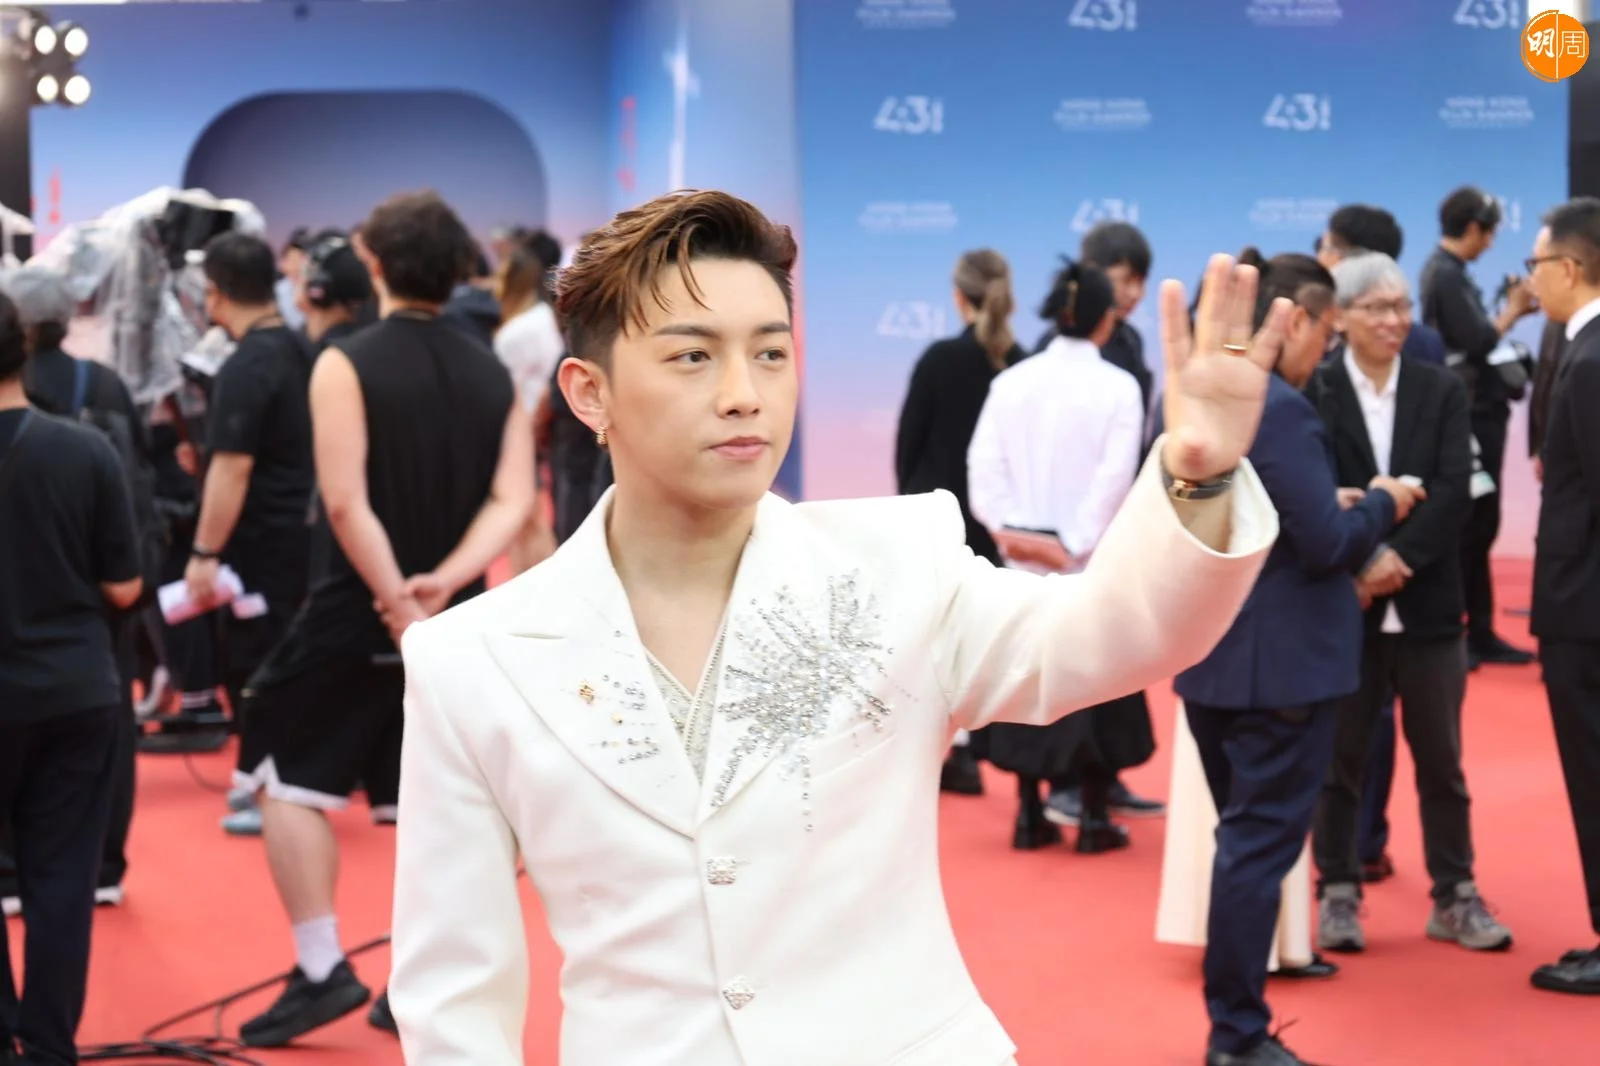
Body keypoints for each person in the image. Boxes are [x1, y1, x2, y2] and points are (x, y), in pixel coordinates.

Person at [387, 189, 1283, 1065]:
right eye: (692, 356)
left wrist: (1198, 476)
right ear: (590, 393)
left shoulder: (898, 565)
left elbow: (1115, 632)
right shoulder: (471, 660)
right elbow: (452, 998)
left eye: (770, 354)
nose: (744, 394)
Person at [234, 190, 530, 1047]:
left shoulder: (344, 361)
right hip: (454, 616)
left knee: (279, 770)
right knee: (436, 801)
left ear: (372, 264)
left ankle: (321, 966)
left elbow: (344, 499)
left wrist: (398, 599)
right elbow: (514, 499)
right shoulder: (492, 368)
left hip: (356, 608)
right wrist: (443, 586)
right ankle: (415, 978)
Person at [1164, 251, 1419, 1066]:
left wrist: (1331, 506)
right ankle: (1236, 1035)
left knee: (1243, 845)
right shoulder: (1282, 410)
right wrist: (1381, 501)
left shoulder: (1196, 397)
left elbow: (1246, 512)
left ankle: (1236, 1022)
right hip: (1281, 670)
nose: (1328, 352)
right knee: (1255, 851)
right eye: (1329, 334)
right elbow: (1327, 546)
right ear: (1298, 319)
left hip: (1213, 658)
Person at [1310, 252, 1513, 956]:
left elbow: (1457, 490)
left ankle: (1455, 894)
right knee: (1340, 759)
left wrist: (1397, 559)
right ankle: (1338, 890)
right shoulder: (1318, 391)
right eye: (1378, 308)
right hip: (1347, 606)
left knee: (1442, 762)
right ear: (1341, 318)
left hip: (1429, 606)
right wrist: (1359, 561)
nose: (1395, 320)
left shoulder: (1440, 388)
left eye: (1401, 307)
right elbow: (1314, 494)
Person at [0, 291, 143, 1066]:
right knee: (62, 876)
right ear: (24, 345)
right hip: (73, 689)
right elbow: (125, 586)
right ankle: (50, 1044)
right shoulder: (84, 451)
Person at [967, 258, 1148, 852]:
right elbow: (1115, 479)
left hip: (1020, 564)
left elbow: (983, 468)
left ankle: (1027, 813)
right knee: (1094, 685)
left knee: (1025, 677)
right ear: (1105, 320)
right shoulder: (1119, 387)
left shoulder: (1012, 382)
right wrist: (1072, 545)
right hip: (1087, 567)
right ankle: (1092, 816)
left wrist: (1012, 535)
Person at [894, 248, 1028, 796]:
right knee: (987, 642)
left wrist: (910, 509)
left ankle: (949, 749)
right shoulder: (1021, 365)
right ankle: (979, 749)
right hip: (999, 528)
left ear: (958, 297)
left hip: (938, 524)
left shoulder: (939, 360)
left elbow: (908, 446)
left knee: (936, 643)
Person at [183, 232, 316, 738]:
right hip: (307, 535)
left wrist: (204, 552)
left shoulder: (245, 366)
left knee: (258, 665)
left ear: (215, 292)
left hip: (262, 546)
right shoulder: (304, 347)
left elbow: (232, 468)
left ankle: (263, 767)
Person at [1523, 197, 1600, 996]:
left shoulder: (1591, 356)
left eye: (1537, 265)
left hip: (1587, 610)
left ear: (1570, 269)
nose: (1531, 280)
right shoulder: (1583, 348)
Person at [1419, 186, 1539, 668]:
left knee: (1480, 524)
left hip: (1476, 411)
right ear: (1473, 228)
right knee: (1471, 524)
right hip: (1470, 415)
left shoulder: (1449, 273)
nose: (1490, 244)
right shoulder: (1445, 274)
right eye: (1489, 234)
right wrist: (1514, 310)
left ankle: (1479, 630)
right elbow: (1479, 340)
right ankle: (1467, 632)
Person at [493, 229, 565, 575]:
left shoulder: (522, 328)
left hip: (525, 430)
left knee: (529, 518)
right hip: (534, 429)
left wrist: (532, 427)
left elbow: (530, 384)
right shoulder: (538, 320)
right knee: (527, 518)